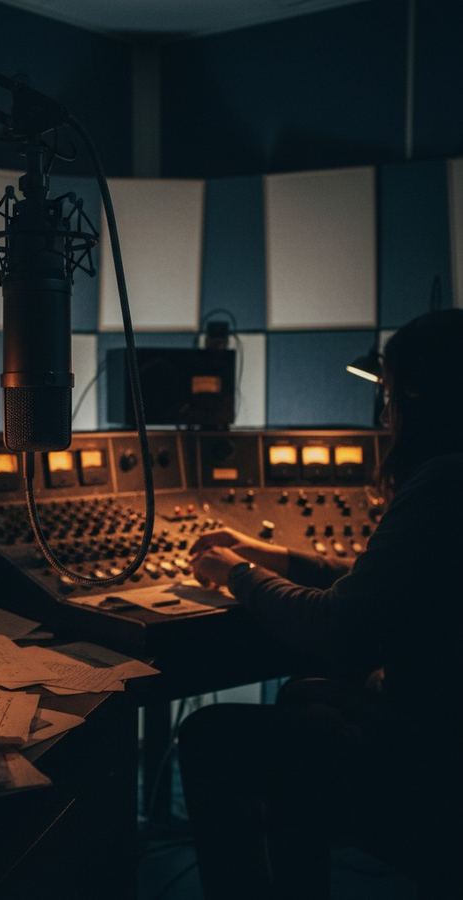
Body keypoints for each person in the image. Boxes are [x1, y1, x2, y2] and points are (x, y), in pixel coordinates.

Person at [179, 309, 463, 899]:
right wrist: (275, 556)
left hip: (434, 768)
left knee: (211, 734)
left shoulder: (443, 483)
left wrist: (238, 575)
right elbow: (385, 589)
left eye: (389, 397)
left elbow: (339, 629)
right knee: (305, 696)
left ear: (417, 400)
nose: (385, 416)